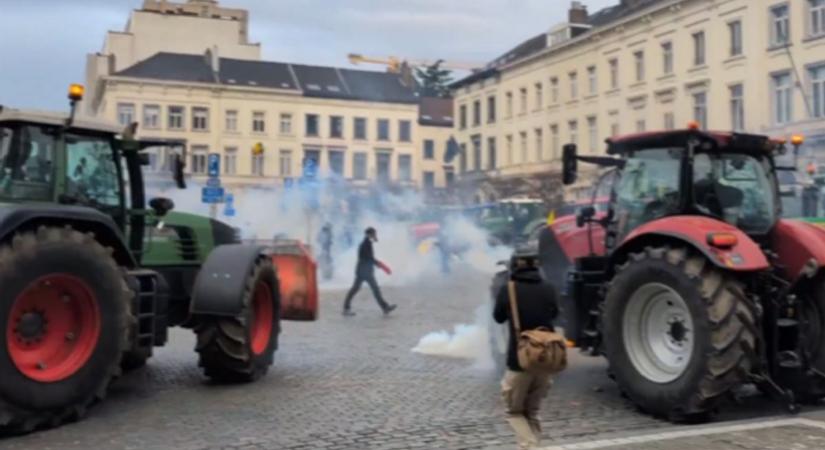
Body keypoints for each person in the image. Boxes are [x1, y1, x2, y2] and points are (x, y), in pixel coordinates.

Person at [493, 255, 559, 450]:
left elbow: (498, 317)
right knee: (532, 412)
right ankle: (534, 445)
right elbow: (554, 313)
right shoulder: (548, 287)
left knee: (515, 412)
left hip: (519, 361)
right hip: (545, 361)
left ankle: (530, 446)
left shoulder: (509, 289)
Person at [343, 227, 397, 316]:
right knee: (370, 289)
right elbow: (369, 258)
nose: (375, 235)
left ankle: (385, 307)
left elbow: (369, 258)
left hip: (364, 271)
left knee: (357, 289)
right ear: (369, 234)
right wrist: (381, 265)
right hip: (364, 271)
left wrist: (379, 265)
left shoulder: (367, 243)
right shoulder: (365, 244)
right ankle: (385, 308)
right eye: (374, 234)